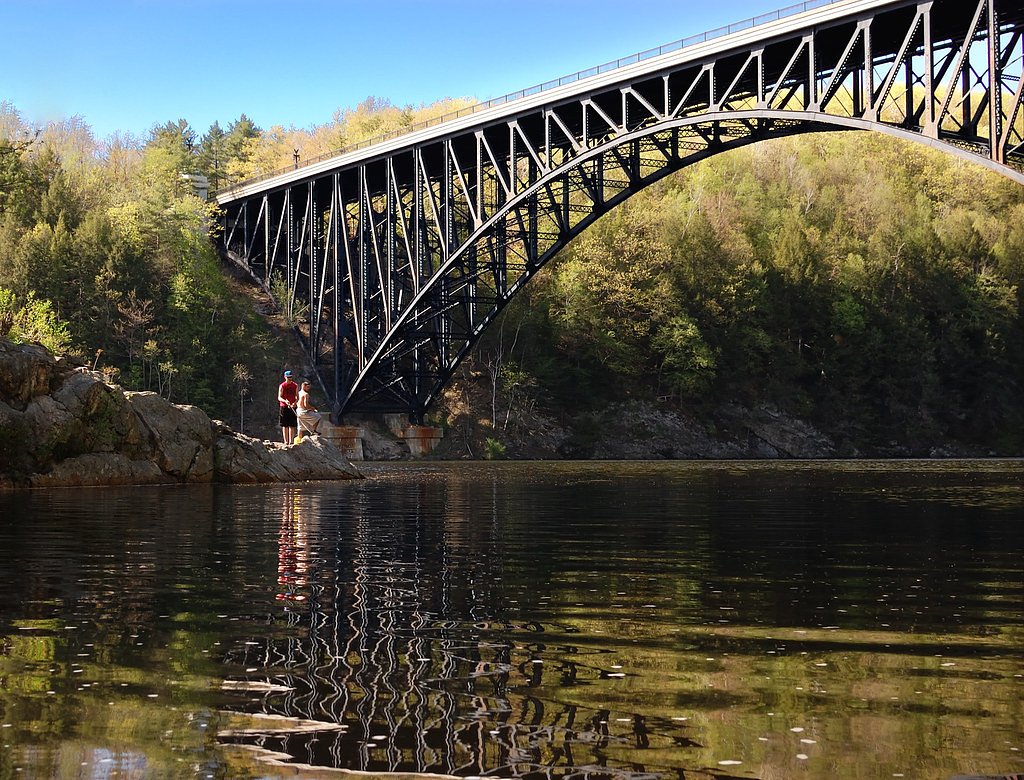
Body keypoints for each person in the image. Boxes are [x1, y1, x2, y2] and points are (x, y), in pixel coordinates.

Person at [277, 370, 299, 444]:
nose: (290, 379)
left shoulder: (295, 385)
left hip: (292, 406)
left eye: (291, 377)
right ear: (285, 377)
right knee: (285, 424)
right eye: (288, 377)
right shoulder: (282, 386)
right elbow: (279, 397)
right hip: (284, 406)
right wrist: (285, 401)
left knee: (292, 425)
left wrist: (295, 402)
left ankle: (291, 441)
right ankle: (286, 441)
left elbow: (297, 396)